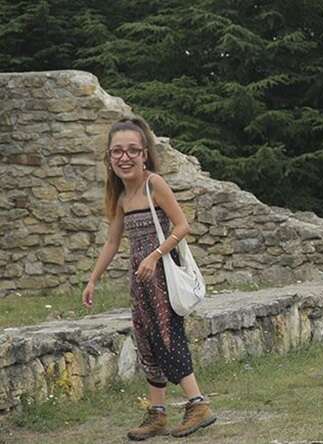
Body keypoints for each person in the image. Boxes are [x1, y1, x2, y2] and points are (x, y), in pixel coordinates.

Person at [82, 116, 216, 440]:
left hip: (162, 278)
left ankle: (198, 404)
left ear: (144, 154)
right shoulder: (121, 196)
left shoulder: (153, 184)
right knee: (147, 343)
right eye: (117, 151)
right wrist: (92, 280)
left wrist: (155, 255)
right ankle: (157, 414)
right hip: (138, 283)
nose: (124, 157)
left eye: (132, 150)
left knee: (169, 339)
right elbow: (113, 243)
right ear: (109, 157)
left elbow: (182, 226)